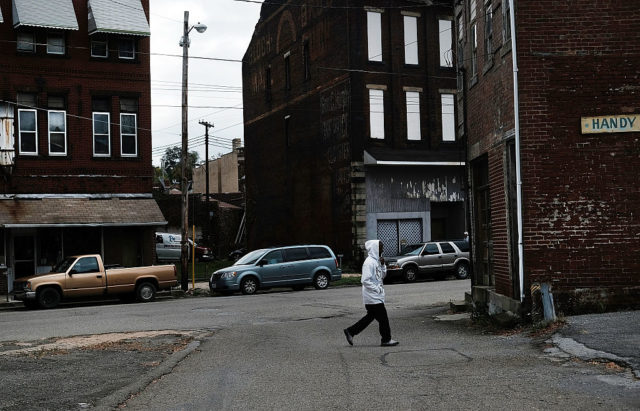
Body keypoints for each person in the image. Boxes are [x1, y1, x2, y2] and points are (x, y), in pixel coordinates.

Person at [343, 240, 399, 347]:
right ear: (375, 248)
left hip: (376, 296)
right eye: (380, 247)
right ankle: (386, 339)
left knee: (370, 317)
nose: (382, 249)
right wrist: (376, 289)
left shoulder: (377, 261)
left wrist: (383, 265)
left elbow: (382, 276)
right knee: (383, 319)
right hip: (372, 296)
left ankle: (350, 331)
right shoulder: (368, 263)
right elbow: (365, 280)